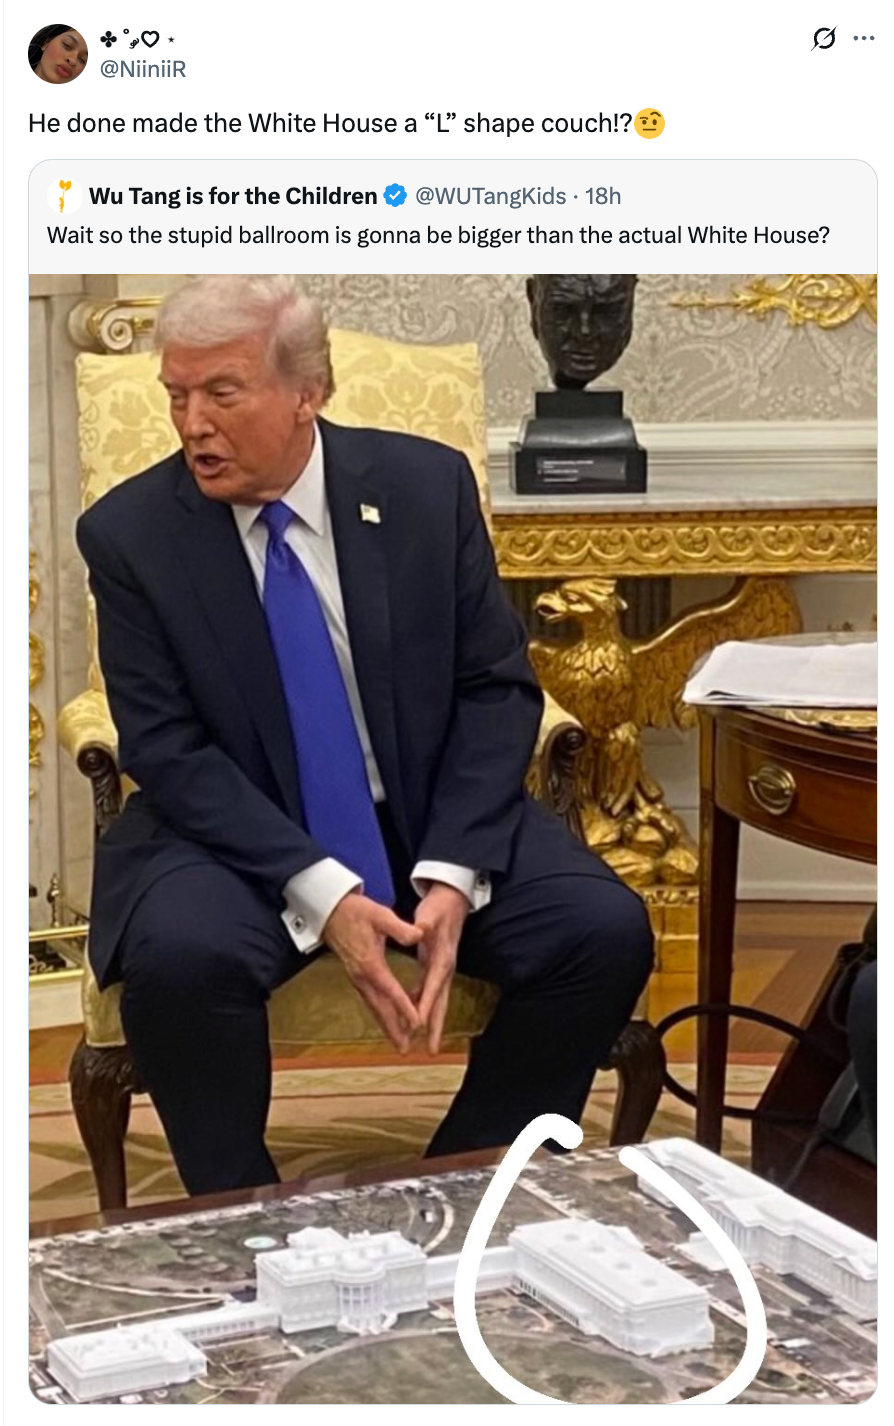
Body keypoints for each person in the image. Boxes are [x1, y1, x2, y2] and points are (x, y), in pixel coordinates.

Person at [77, 275, 653, 1195]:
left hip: (422, 810)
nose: (192, 424)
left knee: (602, 929)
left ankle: (462, 1189)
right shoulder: (130, 534)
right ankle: (242, 1221)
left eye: (221, 393)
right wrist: (323, 890)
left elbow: (494, 690)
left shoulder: (425, 489)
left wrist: (456, 869)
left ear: (308, 390)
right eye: (176, 395)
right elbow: (168, 748)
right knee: (179, 960)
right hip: (239, 833)